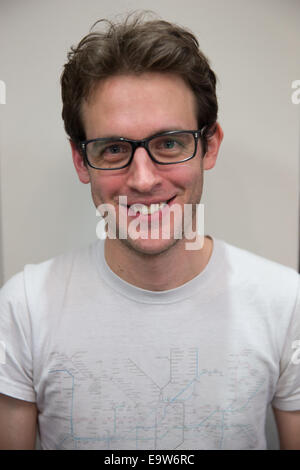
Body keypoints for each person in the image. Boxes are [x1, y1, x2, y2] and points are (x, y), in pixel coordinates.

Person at [0, 13, 300, 451]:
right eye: (115, 149)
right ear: (82, 161)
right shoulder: (24, 308)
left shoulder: (285, 302)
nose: (143, 180)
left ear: (209, 145)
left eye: (169, 143)